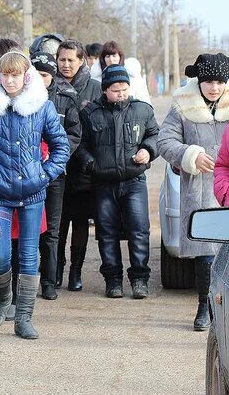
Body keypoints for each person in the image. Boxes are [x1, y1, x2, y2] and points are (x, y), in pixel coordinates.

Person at [0, 50, 70, 339]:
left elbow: (61, 146)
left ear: (27, 76)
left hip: (33, 194)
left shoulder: (42, 106)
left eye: (16, 74)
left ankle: (24, 317)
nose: (10, 80)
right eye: (5, 74)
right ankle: (2, 298)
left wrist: (44, 175)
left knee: (28, 257)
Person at [161, 54, 229, 330]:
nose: (214, 87)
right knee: (206, 250)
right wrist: (189, 154)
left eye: (219, 81)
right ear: (199, 81)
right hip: (201, 189)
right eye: (208, 81)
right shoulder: (183, 105)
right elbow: (165, 141)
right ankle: (204, 306)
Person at [77, 65, 159, 299]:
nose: (121, 93)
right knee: (107, 233)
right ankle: (113, 280)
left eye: (124, 89)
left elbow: (154, 135)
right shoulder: (90, 113)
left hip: (134, 181)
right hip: (103, 184)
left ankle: (140, 279)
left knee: (139, 231)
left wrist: (148, 150)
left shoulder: (142, 110)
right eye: (115, 90)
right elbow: (80, 145)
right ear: (105, 90)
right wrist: (91, 164)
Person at [30, 52, 82, 300]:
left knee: (52, 230)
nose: (41, 79)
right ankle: (25, 279)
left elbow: (74, 134)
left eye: (45, 75)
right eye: (36, 74)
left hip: (54, 174)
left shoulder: (66, 97)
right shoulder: (21, 97)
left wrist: (55, 159)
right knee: (28, 229)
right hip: (25, 173)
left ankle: (49, 282)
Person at [55, 39, 100, 290]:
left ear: (81, 60)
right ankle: (57, 268)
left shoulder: (94, 88)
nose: (66, 64)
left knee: (80, 220)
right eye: (62, 59)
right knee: (58, 221)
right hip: (55, 164)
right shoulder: (50, 85)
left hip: (84, 164)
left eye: (71, 59)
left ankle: (76, 271)